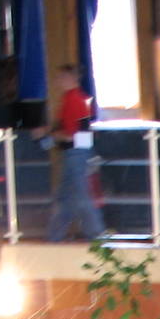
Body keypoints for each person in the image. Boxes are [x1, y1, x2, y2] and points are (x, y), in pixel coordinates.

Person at [33, 65, 105, 242]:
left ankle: (96, 235)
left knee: (80, 195)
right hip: (74, 154)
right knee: (66, 197)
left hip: (76, 155)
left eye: (60, 78)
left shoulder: (75, 100)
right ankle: (55, 236)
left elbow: (75, 133)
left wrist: (48, 135)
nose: (57, 82)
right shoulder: (73, 99)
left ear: (69, 78)